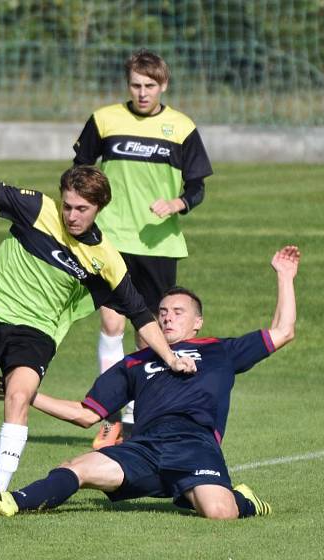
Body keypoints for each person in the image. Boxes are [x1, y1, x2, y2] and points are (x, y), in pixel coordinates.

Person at [0, 136, 197, 499]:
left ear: (98, 208)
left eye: (81, 209)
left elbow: (140, 313)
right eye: (68, 206)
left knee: (18, 397)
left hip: (38, 331)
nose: (71, 215)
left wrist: (170, 357)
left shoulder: (105, 258)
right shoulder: (37, 209)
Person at [0, 246, 300, 520]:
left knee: (220, 513)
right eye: (162, 312)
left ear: (198, 322)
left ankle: (245, 500)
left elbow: (283, 331)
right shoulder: (135, 362)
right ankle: (12, 502)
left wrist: (285, 276)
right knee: (76, 467)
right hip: (143, 449)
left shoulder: (218, 350)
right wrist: (29, 395)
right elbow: (86, 414)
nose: (167, 317)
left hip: (194, 445)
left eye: (178, 312)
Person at [73, 49, 213, 445]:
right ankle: (111, 416)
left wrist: (176, 204)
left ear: (163, 85)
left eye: (150, 85)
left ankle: (136, 415)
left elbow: (198, 187)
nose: (142, 92)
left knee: (146, 332)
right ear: (127, 84)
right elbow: (79, 171)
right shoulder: (104, 120)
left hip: (159, 243)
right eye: (136, 85)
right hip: (111, 238)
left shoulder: (181, 128)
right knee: (112, 323)